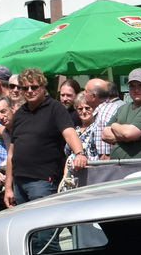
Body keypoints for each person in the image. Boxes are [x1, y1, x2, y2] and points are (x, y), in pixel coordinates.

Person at [5, 67, 83, 201]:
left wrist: (79, 153)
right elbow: (11, 152)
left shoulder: (55, 108)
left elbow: (69, 133)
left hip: (43, 181)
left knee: (40, 220)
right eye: (25, 88)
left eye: (34, 87)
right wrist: (8, 188)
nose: (30, 91)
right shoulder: (19, 114)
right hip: (19, 181)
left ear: (43, 87)